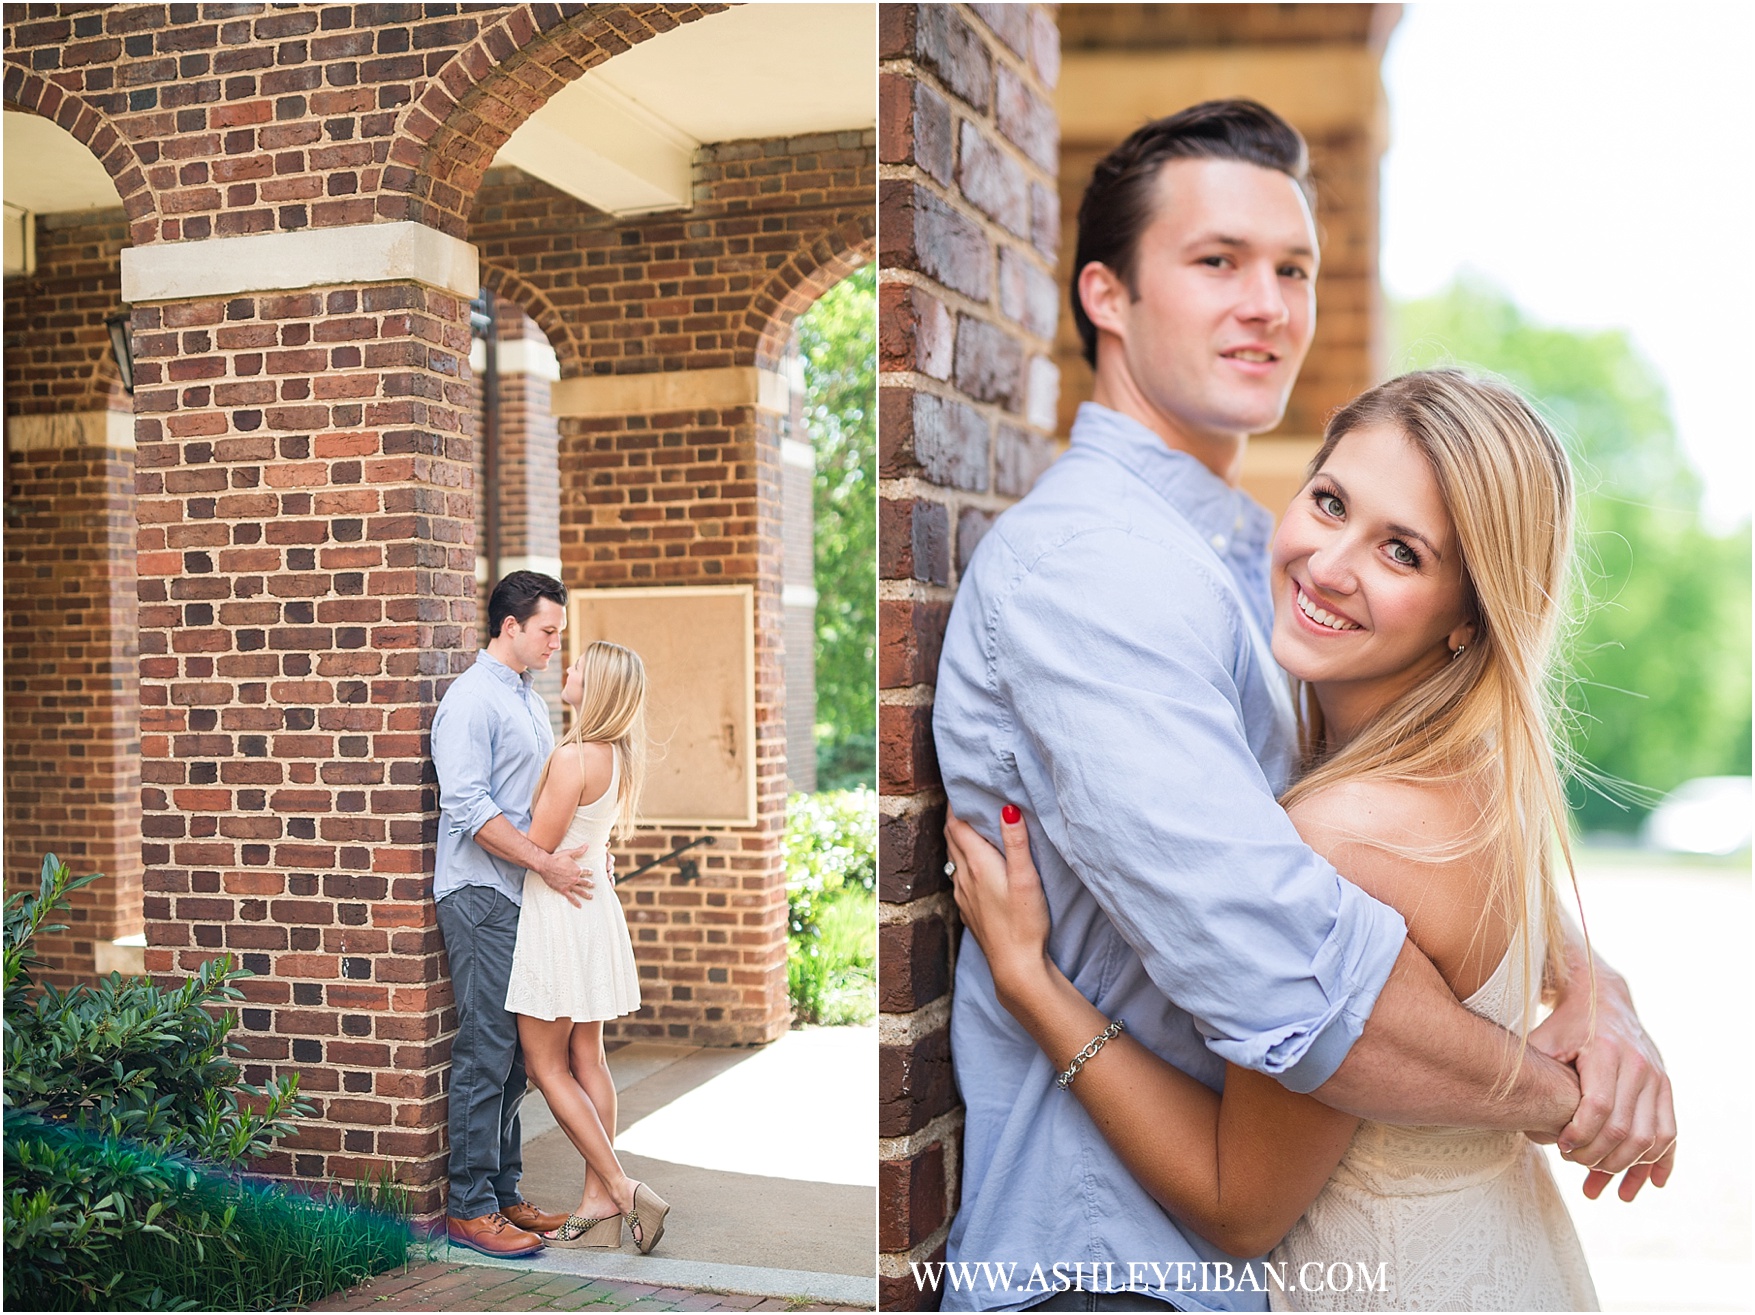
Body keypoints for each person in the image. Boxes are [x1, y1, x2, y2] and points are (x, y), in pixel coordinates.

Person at [930, 101, 1673, 1313]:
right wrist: (1568, 1096)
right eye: (1217, 261)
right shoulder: (1096, 566)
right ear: (1107, 297)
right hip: (1113, 1262)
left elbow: (1421, 843)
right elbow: (1294, 971)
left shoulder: (1234, 553)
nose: (1269, 305)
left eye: (1293, 269)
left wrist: (1594, 986)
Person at [949, 369, 1608, 1309]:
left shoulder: (1343, 836)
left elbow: (1240, 1203)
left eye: (1401, 552)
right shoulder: (1472, 779)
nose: (1329, 564)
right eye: (1330, 502)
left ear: (1471, 615)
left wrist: (1032, 984)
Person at [431, 570, 595, 1258]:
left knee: (523, 1057)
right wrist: (544, 861)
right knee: (488, 1047)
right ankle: (469, 1207)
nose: (557, 642)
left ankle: (502, 1192)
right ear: (510, 626)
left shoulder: (525, 698)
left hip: (520, 892)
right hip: (480, 892)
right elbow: (466, 808)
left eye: (559, 631)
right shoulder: (471, 700)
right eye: (548, 631)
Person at [506, 640, 671, 1254]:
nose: (567, 669)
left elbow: (539, 847)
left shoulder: (574, 757)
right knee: (590, 1058)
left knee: (545, 1066)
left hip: (559, 912)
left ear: (596, 686)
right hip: (593, 908)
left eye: (578, 666)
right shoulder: (618, 756)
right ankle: (597, 1203)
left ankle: (622, 1191)